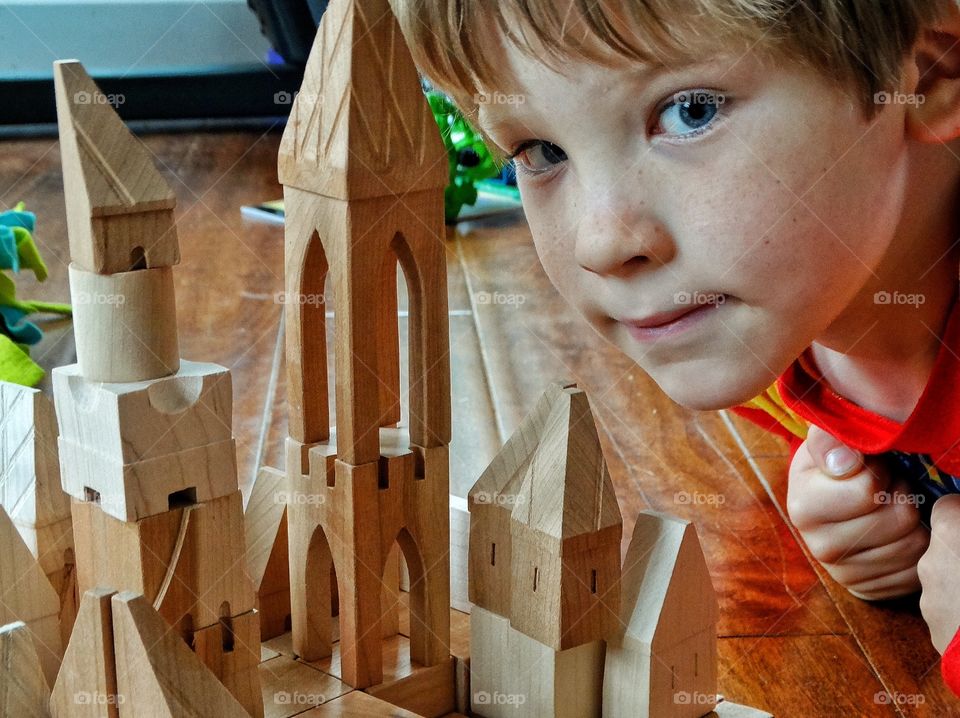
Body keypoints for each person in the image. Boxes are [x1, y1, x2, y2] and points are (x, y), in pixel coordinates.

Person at [394, 0, 960, 698]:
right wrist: (856, 489)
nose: (601, 242)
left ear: (931, 74)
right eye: (540, 153)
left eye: (691, 111)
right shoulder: (776, 337)